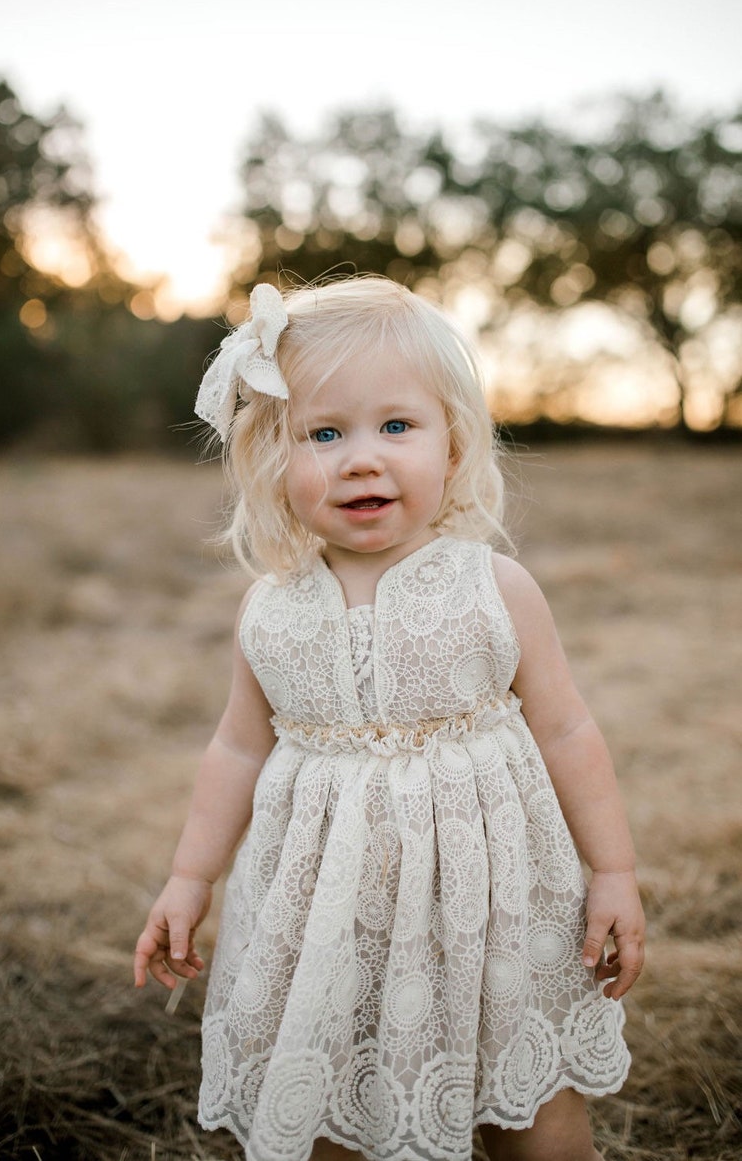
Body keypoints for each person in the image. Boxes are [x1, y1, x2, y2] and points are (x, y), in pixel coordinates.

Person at [133, 277, 645, 1161]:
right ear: (271, 456)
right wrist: (190, 876)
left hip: (489, 902)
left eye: (395, 426)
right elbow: (236, 746)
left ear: (453, 442)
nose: (360, 458)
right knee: (334, 1093)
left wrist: (614, 868)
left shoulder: (494, 588)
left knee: (536, 1114)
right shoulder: (272, 610)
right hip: (333, 909)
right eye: (323, 434)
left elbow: (567, 731)